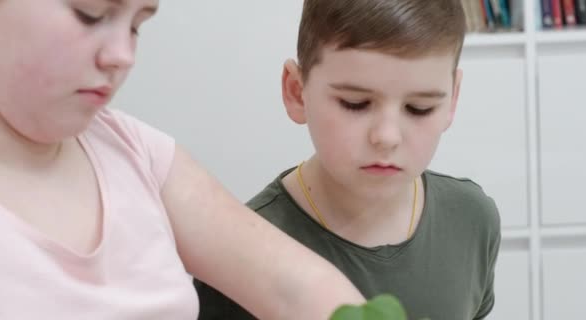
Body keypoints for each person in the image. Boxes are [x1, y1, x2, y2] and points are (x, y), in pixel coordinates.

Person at [0, 1, 366, 319]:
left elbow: (297, 290)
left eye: (136, 26)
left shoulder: (133, 151)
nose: (123, 54)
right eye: (90, 15)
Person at [196, 0, 501, 319]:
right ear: (297, 91)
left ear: (452, 99)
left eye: (419, 108)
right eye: (355, 103)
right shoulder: (237, 256)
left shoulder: (472, 220)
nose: (386, 136)